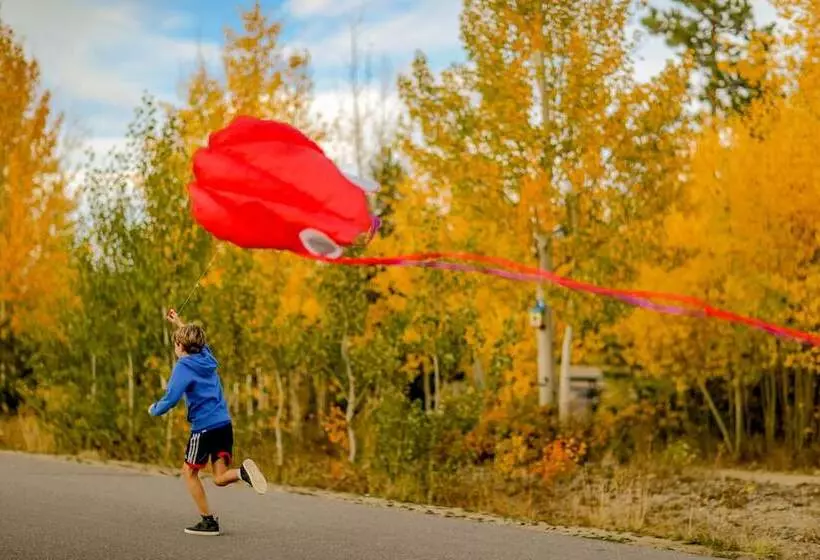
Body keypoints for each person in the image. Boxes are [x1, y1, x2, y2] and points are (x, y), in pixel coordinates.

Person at [148, 308, 267, 536]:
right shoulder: (207, 358)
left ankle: (208, 521)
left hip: (204, 428)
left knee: (189, 472)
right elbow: (197, 342)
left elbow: (171, 399)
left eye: (176, 345)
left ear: (181, 347)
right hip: (224, 424)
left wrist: (154, 409)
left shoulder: (183, 367)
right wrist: (179, 323)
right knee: (220, 477)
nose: (175, 348)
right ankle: (242, 473)